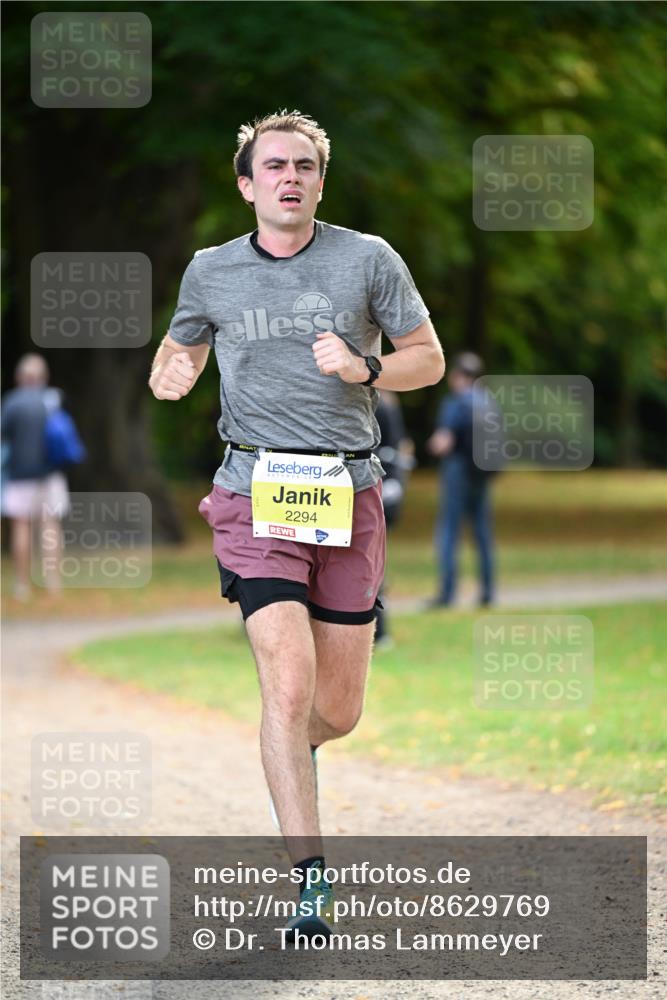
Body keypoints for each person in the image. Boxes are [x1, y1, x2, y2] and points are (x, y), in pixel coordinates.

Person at [149, 109, 445, 938]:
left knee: (335, 710)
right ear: (246, 185)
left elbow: (429, 357)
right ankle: (311, 884)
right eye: (273, 166)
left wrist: (367, 366)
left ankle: (290, 756)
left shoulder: (368, 259)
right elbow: (182, 350)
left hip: (347, 494)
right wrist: (171, 372)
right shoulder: (209, 270)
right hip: (252, 490)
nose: (290, 178)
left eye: (304, 167)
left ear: (319, 181)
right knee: (286, 684)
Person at [426, 352, 496, 608]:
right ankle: (488, 592)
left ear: (457, 375)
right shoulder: (488, 402)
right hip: (482, 475)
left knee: (448, 532)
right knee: (482, 534)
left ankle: (447, 593)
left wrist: (430, 448)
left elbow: (443, 442)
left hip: (457, 472)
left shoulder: (456, 402)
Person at [1, 354, 70, 600]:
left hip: (19, 475)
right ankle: (53, 585)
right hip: (50, 475)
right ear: (43, 377)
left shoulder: (12, 403)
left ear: (20, 377)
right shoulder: (53, 399)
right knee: (50, 527)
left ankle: (22, 585)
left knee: (21, 527)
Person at [373, 389, 414, 648]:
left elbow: (397, 448)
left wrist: (395, 483)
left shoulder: (383, 407)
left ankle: (380, 628)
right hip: (377, 490)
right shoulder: (385, 405)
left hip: (377, 492)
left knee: (372, 564)